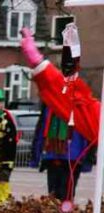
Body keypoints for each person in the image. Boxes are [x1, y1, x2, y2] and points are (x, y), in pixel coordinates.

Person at [22, 24, 97, 201]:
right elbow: (42, 126)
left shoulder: (79, 95)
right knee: (53, 197)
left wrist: (88, 157)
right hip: (53, 154)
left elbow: (89, 125)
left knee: (66, 197)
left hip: (72, 155)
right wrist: (36, 152)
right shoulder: (51, 101)